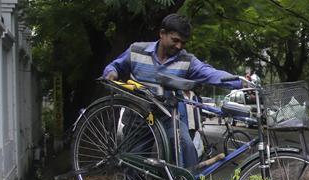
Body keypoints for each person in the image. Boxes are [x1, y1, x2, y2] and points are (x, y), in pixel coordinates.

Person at [102, 14, 242, 168]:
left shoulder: (186, 60)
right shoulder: (136, 50)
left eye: (183, 42)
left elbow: (210, 73)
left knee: (187, 146)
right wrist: (111, 73)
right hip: (138, 116)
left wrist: (239, 82)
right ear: (162, 33)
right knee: (134, 167)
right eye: (175, 40)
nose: (179, 46)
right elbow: (115, 66)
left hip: (168, 116)